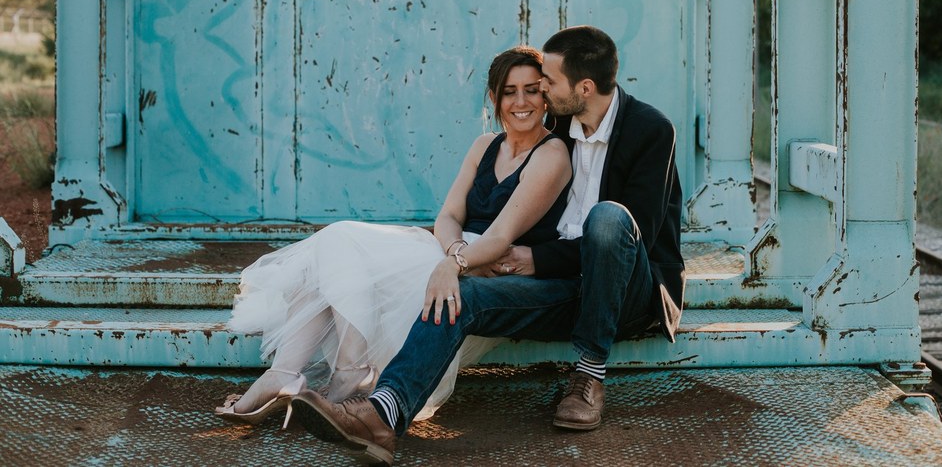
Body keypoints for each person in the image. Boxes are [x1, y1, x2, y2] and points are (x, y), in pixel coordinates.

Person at [288, 25, 686, 466]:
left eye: (548, 82)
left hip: (626, 290)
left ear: (584, 87)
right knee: (465, 295)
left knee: (608, 217)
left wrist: (535, 258)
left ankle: (589, 375)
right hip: (563, 288)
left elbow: (636, 243)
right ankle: (383, 413)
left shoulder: (650, 130)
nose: (541, 94)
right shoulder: (560, 121)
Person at [214, 46, 572, 427]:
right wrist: (453, 248)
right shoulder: (484, 146)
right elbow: (449, 215)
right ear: (493, 98)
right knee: (334, 248)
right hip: (451, 252)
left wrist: (456, 263)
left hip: (483, 272)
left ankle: (312, 373)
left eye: (532, 90)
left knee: (336, 246)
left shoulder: (552, 155)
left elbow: (501, 237)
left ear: (546, 95)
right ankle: (304, 373)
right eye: (509, 91)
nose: (521, 101)